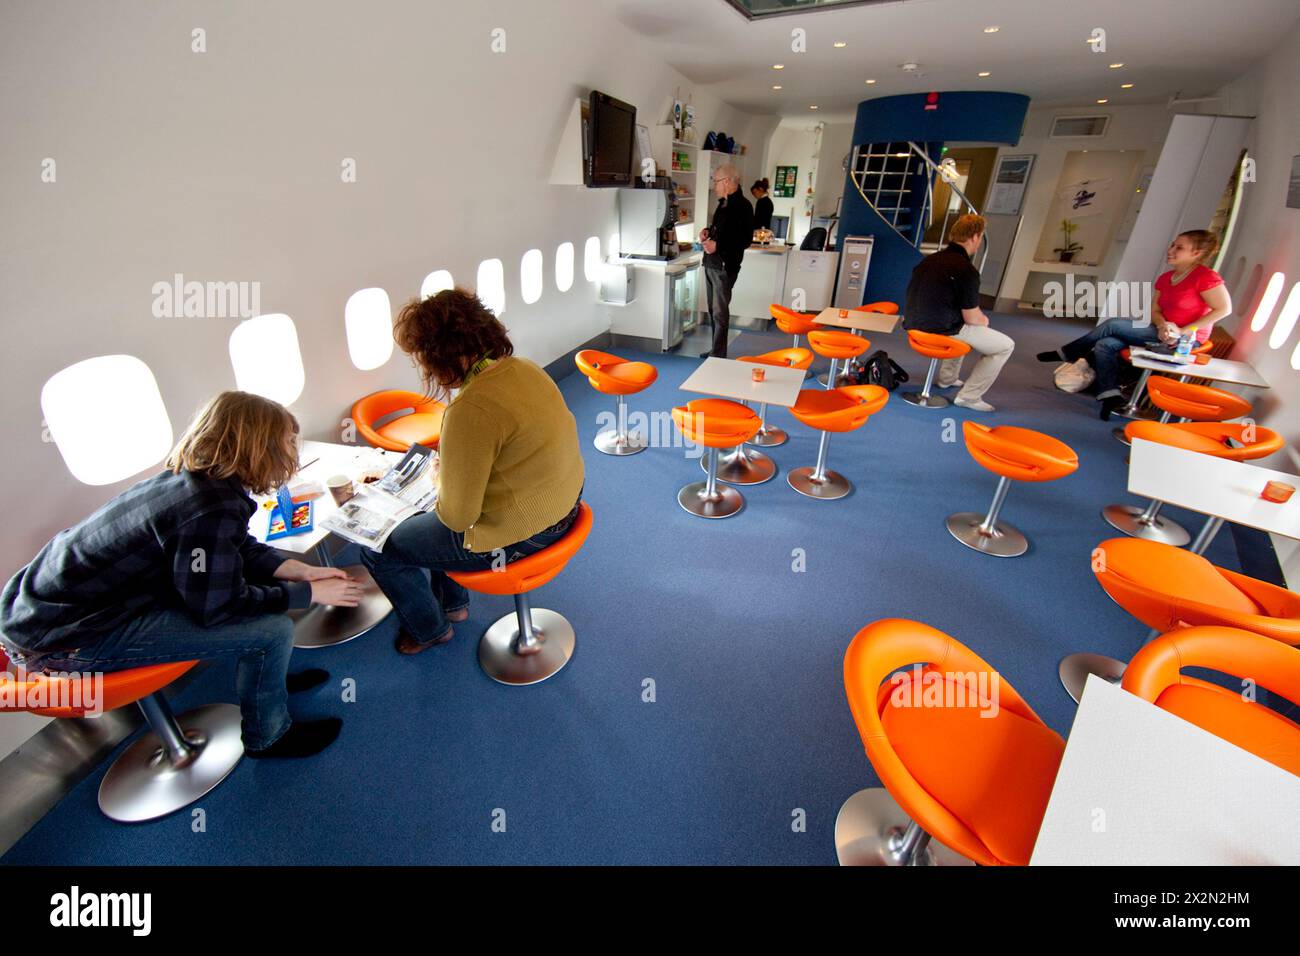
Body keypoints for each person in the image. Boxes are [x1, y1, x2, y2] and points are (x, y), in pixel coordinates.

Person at [0, 391, 358, 758]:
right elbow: (219, 607)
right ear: (258, 446)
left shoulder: (192, 480)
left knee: (268, 599)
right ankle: (268, 736)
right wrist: (308, 595)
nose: (291, 449)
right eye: (286, 440)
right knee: (273, 632)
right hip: (65, 638)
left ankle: (270, 679)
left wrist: (295, 570)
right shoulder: (208, 506)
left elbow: (232, 545)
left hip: (40, 610)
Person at [362, 288, 585, 654]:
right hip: (565, 507)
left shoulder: (470, 410)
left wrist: (440, 479)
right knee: (424, 526)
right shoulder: (526, 369)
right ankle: (454, 607)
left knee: (378, 549)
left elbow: (456, 517)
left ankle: (431, 630)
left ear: (437, 356)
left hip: (521, 536)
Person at [1037, 229, 1231, 419]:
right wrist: (1163, 325)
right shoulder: (1165, 278)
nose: (1171, 250)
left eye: (1179, 247)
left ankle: (1068, 352)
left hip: (1186, 341)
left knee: (1113, 324)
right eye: (1173, 244)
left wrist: (1181, 331)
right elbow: (1155, 311)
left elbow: (1223, 309)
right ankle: (1110, 396)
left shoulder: (1206, 277)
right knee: (1105, 344)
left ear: (1196, 253)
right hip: (1158, 330)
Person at [902, 213, 1013, 412]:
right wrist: (984, 320)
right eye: (980, 237)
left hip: (912, 325)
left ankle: (948, 379)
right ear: (975, 237)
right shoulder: (966, 270)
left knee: (961, 327)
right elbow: (972, 317)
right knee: (1004, 346)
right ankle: (969, 397)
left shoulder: (928, 261)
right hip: (938, 329)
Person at [698, 163, 753, 359]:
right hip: (711, 263)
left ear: (728, 181)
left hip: (724, 266)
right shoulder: (723, 203)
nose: (714, 185)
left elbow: (744, 240)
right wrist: (708, 232)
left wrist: (718, 246)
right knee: (714, 311)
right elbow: (723, 231)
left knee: (720, 312)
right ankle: (716, 349)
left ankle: (719, 354)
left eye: (716, 181)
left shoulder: (743, 206)